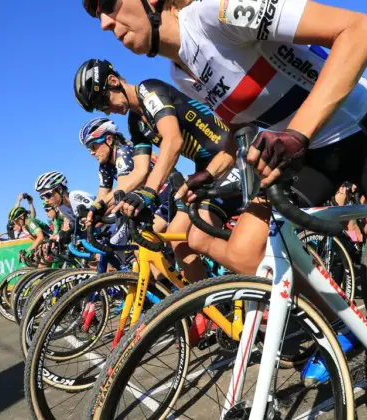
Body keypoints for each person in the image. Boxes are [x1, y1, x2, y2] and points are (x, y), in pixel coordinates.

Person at [84, 1, 367, 418]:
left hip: (365, 133)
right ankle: (342, 326)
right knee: (248, 253)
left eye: (107, 3)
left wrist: (299, 133)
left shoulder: (220, 11)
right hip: (306, 150)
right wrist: (211, 171)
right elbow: (236, 123)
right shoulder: (181, 72)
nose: (105, 22)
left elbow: (361, 29)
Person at [74, 59, 241, 285]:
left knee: (198, 239)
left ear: (113, 82)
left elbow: (173, 140)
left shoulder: (148, 90)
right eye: (101, 108)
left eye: (104, 101)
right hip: (205, 169)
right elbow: (139, 173)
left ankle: (259, 283)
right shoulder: (135, 122)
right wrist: (101, 204)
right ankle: (206, 314)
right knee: (179, 242)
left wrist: (149, 192)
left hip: (230, 158)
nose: (107, 110)